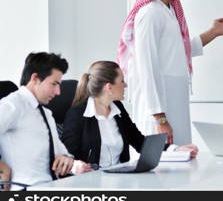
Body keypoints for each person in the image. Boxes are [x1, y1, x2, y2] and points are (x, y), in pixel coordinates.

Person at [117, 0, 223, 145]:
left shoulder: (168, 11)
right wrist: (160, 118)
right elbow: (146, 68)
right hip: (158, 111)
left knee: (181, 159)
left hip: (173, 103)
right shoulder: (150, 14)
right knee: (160, 164)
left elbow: (177, 52)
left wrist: (213, 33)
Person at [62, 61, 198, 169]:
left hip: (120, 177)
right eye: (122, 81)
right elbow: (66, 156)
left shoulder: (117, 109)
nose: (126, 85)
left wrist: (175, 149)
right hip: (91, 183)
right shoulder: (78, 115)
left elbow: (140, 142)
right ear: (109, 87)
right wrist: (75, 165)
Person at [0, 52, 83, 190]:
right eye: (54, 84)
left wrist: (66, 159)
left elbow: (60, 152)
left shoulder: (46, 113)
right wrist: (2, 167)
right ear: (35, 78)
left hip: (52, 188)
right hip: (26, 192)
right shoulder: (13, 105)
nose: (58, 92)